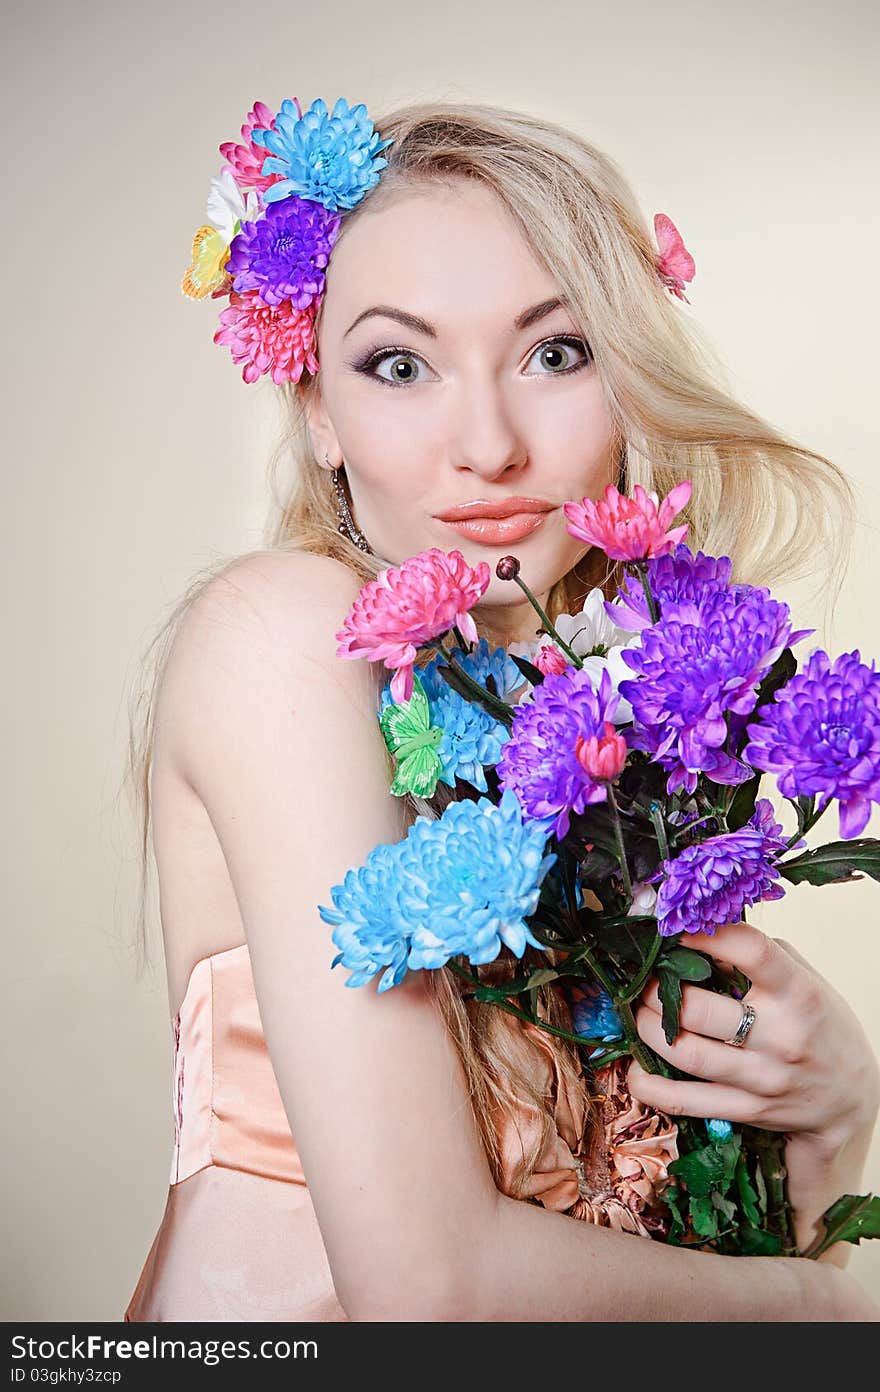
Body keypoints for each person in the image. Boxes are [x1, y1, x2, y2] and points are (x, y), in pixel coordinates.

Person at [123, 97, 879, 1322]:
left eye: (554, 352)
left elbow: (690, 1274)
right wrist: (832, 1319)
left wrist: (836, 1115)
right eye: (398, 364)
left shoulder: (616, 738)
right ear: (317, 406)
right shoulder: (277, 634)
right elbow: (428, 1295)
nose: (487, 444)